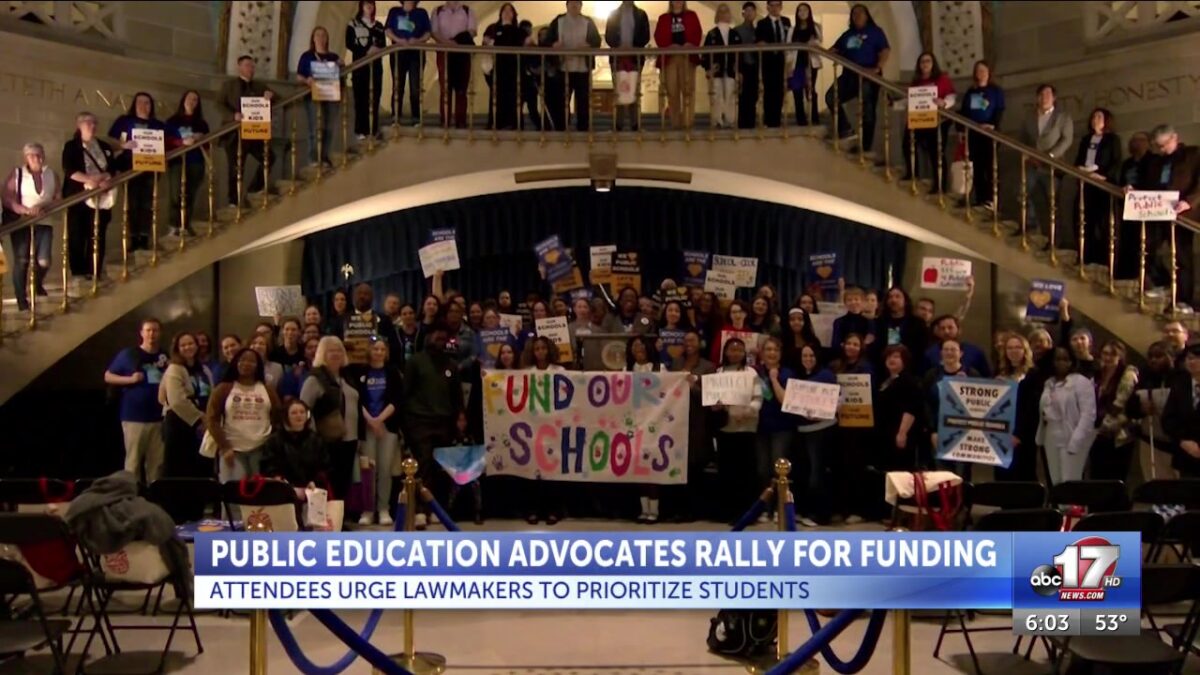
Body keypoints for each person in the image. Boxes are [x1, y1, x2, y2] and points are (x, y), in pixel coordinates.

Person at [403, 323, 462, 529]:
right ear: (428, 337)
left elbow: (457, 397)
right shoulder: (416, 362)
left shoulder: (451, 365)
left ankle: (437, 509)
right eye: (436, 334)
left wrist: (458, 419)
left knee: (440, 469)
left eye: (443, 335)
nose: (440, 337)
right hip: (420, 422)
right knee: (423, 466)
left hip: (444, 422)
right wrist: (408, 424)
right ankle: (420, 510)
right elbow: (406, 393)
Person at [1135, 124, 1200, 308]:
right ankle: (1162, 283)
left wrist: (1189, 201)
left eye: (1164, 145)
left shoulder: (1193, 154)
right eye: (1159, 146)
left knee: (1182, 256)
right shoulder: (1156, 161)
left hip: (1181, 212)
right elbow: (1147, 183)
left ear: (1174, 138)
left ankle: (1183, 299)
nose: (1162, 149)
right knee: (1146, 248)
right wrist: (1134, 191)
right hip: (1157, 210)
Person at [105, 318, 169, 484]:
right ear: (141, 333)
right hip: (134, 417)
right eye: (148, 330)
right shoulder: (129, 354)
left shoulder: (165, 356)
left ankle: (154, 499)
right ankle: (131, 499)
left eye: (155, 330)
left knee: (157, 464)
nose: (152, 334)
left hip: (159, 417)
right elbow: (108, 376)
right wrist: (130, 380)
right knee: (133, 463)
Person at [302, 336, 360, 505]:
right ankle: (327, 522)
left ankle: (338, 519)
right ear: (322, 354)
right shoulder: (315, 379)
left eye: (338, 350)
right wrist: (313, 437)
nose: (336, 354)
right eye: (331, 350)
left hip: (350, 439)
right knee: (328, 483)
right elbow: (304, 408)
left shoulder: (347, 377)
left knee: (343, 483)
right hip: (327, 441)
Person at [208, 347, 280, 483]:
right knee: (233, 495)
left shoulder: (268, 390)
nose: (246, 364)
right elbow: (212, 420)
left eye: (251, 361)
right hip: (232, 450)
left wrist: (271, 445)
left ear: (258, 366)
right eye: (242, 360)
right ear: (235, 363)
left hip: (261, 449)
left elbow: (277, 417)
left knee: (260, 494)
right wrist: (225, 447)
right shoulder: (223, 389)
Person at [105, 91, 165, 251]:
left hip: (151, 169)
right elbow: (110, 142)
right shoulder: (124, 121)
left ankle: (144, 237)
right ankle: (133, 238)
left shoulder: (158, 124)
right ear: (134, 104)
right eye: (140, 102)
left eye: (147, 103)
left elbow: (168, 143)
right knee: (132, 203)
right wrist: (123, 145)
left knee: (147, 204)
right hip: (128, 168)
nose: (143, 105)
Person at [826, 4, 889, 151]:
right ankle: (845, 128)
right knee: (831, 97)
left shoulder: (875, 32)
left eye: (860, 13)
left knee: (868, 110)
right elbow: (834, 50)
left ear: (867, 16)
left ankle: (865, 147)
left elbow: (885, 50)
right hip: (849, 75)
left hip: (868, 75)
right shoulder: (847, 34)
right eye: (854, 14)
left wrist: (878, 68)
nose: (857, 16)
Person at [3, 143, 58, 310]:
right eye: (33, 155)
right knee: (22, 261)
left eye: (40, 154)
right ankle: (21, 299)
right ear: (26, 157)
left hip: (44, 221)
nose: (37, 158)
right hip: (23, 222)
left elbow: (58, 197)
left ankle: (37, 284)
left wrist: (44, 208)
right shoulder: (18, 173)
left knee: (44, 261)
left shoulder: (51, 174)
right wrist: (25, 210)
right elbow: (7, 198)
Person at [355, 339, 403, 526]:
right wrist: (371, 421)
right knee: (368, 470)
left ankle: (383, 509)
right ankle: (367, 509)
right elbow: (358, 400)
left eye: (383, 349)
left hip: (387, 427)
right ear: (369, 350)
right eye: (376, 348)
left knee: (384, 469)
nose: (379, 352)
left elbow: (397, 399)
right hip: (367, 426)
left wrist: (380, 420)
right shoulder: (361, 372)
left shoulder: (392, 372)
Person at [62, 112, 115, 284]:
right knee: (76, 233)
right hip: (79, 195)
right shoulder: (72, 146)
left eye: (94, 123)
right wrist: (89, 180)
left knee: (97, 235)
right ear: (79, 125)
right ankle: (78, 271)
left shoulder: (104, 146)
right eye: (87, 123)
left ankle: (94, 271)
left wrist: (105, 178)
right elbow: (69, 170)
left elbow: (112, 168)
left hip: (101, 196)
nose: (91, 126)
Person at [713, 337, 762, 520]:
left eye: (739, 350)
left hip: (747, 426)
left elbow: (759, 398)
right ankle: (728, 511)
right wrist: (716, 406)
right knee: (727, 471)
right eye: (731, 349)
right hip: (726, 427)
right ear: (725, 352)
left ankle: (747, 512)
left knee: (746, 471)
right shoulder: (718, 372)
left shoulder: (752, 373)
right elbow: (713, 398)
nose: (735, 353)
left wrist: (748, 411)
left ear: (744, 353)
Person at [1020, 84, 1074, 247]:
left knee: (1053, 204)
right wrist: (1028, 155)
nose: (1045, 97)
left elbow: (1067, 140)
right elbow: (1023, 139)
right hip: (1033, 164)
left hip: (1052, 166)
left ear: (1054, 98)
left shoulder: (1062, 117)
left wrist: (1050, 156)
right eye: (1042, 94)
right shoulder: (1029, 117)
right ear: (1037, 98)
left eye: (1048, 94)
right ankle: (1030, 225)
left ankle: (1055, 241)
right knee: (1023, 192)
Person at [218, 55, 274, 207]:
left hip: (254, 133)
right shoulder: (228, 85)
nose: (251, 69)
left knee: (269, 157)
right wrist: (233, 116)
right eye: (248, 65)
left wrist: (270, 96)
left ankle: (254, 188)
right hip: (234, 134)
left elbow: (276, 98)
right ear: (239, 67)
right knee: (235, 168)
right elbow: (219, 105)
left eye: (252, 66)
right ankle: (233, 201)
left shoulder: (260, 86)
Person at [671, 330, 716, 521]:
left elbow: (710, 395)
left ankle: (695, 509)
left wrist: (693, 387)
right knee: (679, 466)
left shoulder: (708, 367)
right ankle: (679, 508)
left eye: (692, 340)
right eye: (685, 340)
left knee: (695, 465)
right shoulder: (676, 364)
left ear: (700, 343)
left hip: (698, 420)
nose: (688, 343)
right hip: (677, 419)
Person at [829, 333, 874, 522]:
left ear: (861, 347)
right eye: (849, 343)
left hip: (859, 424)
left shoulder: (868, 367)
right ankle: (841, 507)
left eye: (856, 344)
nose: (852, 347)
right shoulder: (834, 366)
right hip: (838, 423)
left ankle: (856, 510)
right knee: (838, 466)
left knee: (855, 467)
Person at [1036, 346, 1096, 484]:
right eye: (1058, 359)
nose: (1062, 363)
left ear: (1072, 361)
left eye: (1066, 359)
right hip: (1050, 436)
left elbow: (1088, 415)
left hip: (1071, 435)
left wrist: (1076, 441)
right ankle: (1059, 506)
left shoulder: (1081, 382)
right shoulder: (1049, 382)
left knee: (1070, 482)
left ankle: (1072, 506)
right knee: (1055, 481)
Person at [159, 332, 214, 479]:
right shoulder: (174, 369)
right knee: (177, 469)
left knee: (199, 467)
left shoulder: (204, 370)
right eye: (183, 345)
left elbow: (212, 394)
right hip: (179, 422)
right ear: (177, 348)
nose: (188, 347)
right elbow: (176, 400)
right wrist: (200, 418)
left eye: (191, 343)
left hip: (202, 423)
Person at [1073, 108, 1122, 265]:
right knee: (1083, 220)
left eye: (1099, 117)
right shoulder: (1086, 139)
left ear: (1106, 120)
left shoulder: (1112, 139)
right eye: (1093, 116)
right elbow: (1079, 159)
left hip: (1103, 184)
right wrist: (1080, 169)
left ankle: (1106, 261)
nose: (1095, 119)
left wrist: (1103, 175)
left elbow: (1116, 161)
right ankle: (1085, 257)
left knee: (1104, 223)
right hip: (1085, 182)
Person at [902, 52, 955, 194]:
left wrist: (944, 103)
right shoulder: (916, 82)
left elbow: (951, 95)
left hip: (938, 120)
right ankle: (912, 173)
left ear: (933, 63)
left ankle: (940, 186)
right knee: (907, 142)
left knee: (936, 152)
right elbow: (910, 100)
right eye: (922, 62)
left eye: (928, 61)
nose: (925, 64)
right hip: (920, 118)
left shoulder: (942, 78)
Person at [546, 1, 601, 133]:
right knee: (562, 99)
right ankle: (562, 127)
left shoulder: (588, 21)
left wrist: (588, 46)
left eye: (577, 3)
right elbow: (548, 40)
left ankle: (583, 127)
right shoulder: (558, 21)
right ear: (567, 5)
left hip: (583, 68)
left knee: (583, 100)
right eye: (572, 3)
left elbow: (596, 41)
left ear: (581, 6)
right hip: (563, 68)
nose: (574, 5)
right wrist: (554, 45)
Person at [626, 336, 664, 522]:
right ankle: (644, 509)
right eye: (634, 346)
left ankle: (655, 510)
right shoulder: (626, 370)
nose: (638, 348)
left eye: (641, 345)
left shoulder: (660, 368)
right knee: (638, 467)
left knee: (652, 467)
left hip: (655, 423)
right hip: (633, 424)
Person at [754, 337, 795, 509]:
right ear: (762, 353)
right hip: (760, 427)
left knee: (778, 469)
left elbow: (784, 399)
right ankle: (766, 507)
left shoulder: (787, 373)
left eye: (775, 350)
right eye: (768, 349)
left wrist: (774, 379)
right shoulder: (755, 372)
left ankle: (781, 507)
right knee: (762, 469)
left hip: (782, 427)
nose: (772, 353)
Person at [993, 333, 1040, 481]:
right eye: (1010, 348)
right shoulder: (999, 374)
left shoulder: (1033, 375)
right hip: (1001, 435)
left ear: (1025, 350)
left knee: (1023, 475)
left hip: (1023, 435)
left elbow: (1032, 409)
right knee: (1003, 476)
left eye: (1018, 347)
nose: (1014, 351)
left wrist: (1019, 434)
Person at [959, 60, 1004, 210]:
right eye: (978, 70)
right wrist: (961, 129)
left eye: (983, 70)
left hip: (990, 133)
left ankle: (991, 199)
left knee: (990, 166)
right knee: (977, 166)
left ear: (989, 72)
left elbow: (999, 110)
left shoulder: (995, 91)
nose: (981, 73)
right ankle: (980, 198)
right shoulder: (971, 92)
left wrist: (992, 125)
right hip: (974, 133)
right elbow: (964, 112)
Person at [1090, 341, 1139, 482]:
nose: (1108, 358)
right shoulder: (1098, 375)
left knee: (1116, 476)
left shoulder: (1127, 375)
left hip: (1119, 434)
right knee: (1098, 475)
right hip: (1098, 432)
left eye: (1113, 354)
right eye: (1105, 353)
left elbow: (1120, 404)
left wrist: (1104, 426)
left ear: (1120, 356)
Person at [164, 90, 209, 237]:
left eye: (195, 100)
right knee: (176, 194)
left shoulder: (201, 123)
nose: (192, 102)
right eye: (190, 99)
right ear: (183, 100)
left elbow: (208, 145)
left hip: (196, 161)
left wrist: (201, 138)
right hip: (178, 161)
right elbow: (166, 141)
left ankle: (185, 224)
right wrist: (181, 142)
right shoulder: (172, 121)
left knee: (191, 194)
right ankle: (173, 225)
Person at [262, 399, 331, 489]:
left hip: (311, 489)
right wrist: (278, 479)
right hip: (284, 489)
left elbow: (325, 466)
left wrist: (315, 482)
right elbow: (268, 466)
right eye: (294, 413)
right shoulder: (275, 440)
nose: (299, 415)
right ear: (286, 416)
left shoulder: (316, 439)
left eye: (302, 412)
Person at [298, 27, 342, 167]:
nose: (321, 38)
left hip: (330, 95)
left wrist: (340, 64)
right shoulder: (307, 56)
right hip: (314, 95)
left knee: (329, 127)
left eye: (324, 35)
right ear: (313, 38)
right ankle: (314, 158)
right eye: (318, 35)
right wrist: (307, 81)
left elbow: (342, 71)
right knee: (315, 126)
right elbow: (299, 75)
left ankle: (324, 156)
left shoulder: (333, 57)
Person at [874, 345, 922, 471]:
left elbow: (911, 409)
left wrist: (902, 433)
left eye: (896, 357)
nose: (891, 359)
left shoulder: (909, 381)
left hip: (899, 434)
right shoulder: (886, 380)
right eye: (889, 356)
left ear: (904, 360)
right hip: (885, 434)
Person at [655, 1, 702, 130]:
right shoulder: (663, 18)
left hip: (687, 56)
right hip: (670, 57)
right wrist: (670, 46)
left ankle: (688, 122)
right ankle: (675, 123)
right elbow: (658, 36)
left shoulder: (691, 15)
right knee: (672, 91)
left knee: (688, 90)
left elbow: (697, 33)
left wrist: (690, 44)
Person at [605, 0, 651, 132]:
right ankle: (617, 125)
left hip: (635, 57)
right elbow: (608, 36)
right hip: (617, 58)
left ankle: (635, 124)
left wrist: (632, 47)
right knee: (618, 91)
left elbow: (645, 36)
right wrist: (620, 46)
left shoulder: (641, 14)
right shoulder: (613, 14)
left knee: (634, 91)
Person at [431, 1, 477, 130]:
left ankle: (460, 120)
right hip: (444, 51)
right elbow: (434, 32)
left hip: (462, 53)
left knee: (461, 88)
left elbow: (472, 31)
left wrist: (457, 42)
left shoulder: (468, 10)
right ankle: (445, 120)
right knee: (445, 87)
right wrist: (448, 43)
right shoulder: (438, 11)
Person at [385, 0, 431, 127]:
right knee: (397, 85)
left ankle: (416, 117)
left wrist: (417, 40)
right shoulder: (394, 11)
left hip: (416, 54)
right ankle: (395, 117)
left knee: (415, 86)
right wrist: (399, 40)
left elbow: (428, 33)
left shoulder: (421, 13)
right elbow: (388, 30)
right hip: (398, 52)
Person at [346, 0, 386, 142]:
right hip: (360, 67)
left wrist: (377, 50)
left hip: (376, 67)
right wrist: (365, 50)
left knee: (375, 97)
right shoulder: (353, 24)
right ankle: (360, 130)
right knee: (360, 98)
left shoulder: (379, 26)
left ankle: (373, 129)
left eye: (371, 4)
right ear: (361, 6)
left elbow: (383, 45)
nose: (369, 6)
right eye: (366, 4)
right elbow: (350, 43)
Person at [483, 3, 525, 131]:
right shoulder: (493, 28)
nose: (507, 13)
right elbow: (486, 42)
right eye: (504, 11)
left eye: (510, 11)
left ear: (514, 14)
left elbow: (526, 43)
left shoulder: (518, 30)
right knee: (497, 95)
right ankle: (495, 122)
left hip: (514, 67)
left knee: (513, 95)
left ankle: (514, 123)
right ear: (500, 13)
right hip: (498, 66)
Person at [1115, 131, 1151, 280]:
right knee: (1127, 240)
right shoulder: (1127, 163)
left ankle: (1145, 277)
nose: (1136, 143)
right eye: (1133, 140)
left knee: (1143, 243)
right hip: (1128, 205)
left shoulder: (1152, 161)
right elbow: (1121, 181)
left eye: (1140, 140)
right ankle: (1125, 274)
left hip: (1146, 206)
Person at [702, 4, 741, 130]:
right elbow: (706, 53)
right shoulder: (711, 34)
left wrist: (739, 70)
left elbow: (739, 54)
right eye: (722, 12)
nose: (724, 14)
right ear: (717, 15)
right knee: (716, 95)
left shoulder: (735, 34)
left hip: (731, 70)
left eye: (727, 12)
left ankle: (731, 120)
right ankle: (717, 120)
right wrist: (708, 68)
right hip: (716, 70)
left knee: (731, 94)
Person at [754, 0, 791, 129]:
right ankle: (768, 120)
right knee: (769, 90)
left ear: (781, 7)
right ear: (768, 7)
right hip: (768, 62)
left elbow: (789, 39)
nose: (775, 8)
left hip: (782, 60)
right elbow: (759, 41)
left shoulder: (786, 22)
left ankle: (777, 119)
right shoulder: (762, 23)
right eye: (772, 5)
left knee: (780, 90)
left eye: (777, 5)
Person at [872, 287, 926, 371]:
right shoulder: (878, 322)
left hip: (910, 368)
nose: (893, 300)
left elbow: (921, 349)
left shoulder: (917, 323)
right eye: (890, 297)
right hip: (882, 368)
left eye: (897, 297)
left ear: (906, 301)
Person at [924, 315, 990, 376]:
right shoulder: (930, 353)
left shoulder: (975, 352)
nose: (946, 331)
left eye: (950, 328)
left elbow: (987, 377)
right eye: (942, 328)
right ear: (938, 332)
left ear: (959, 330)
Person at [789, 3, 821, 126]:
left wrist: (812, 43)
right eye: (800, 10)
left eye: (805, 10)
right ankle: (800, 119)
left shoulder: (815, 27)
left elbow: (818, 42)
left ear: (809, 12)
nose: (802, 12)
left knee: (810, 89)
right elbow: (788, 47)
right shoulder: (793, 29)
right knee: (797, 90)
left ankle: (814, 117)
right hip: (796, 63)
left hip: (811, 62)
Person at [735, 1, 759, 129]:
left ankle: (751, 123)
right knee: (742, 96)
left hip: (754, 67)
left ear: (755, 13)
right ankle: (742, 123)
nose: (750, 13)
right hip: (742, 66)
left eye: (752, 11)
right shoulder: (737, 30)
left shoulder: (758, 30)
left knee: (753, 95)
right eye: (747, 11)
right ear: (743, 13)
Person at [831, 286, 873, 350]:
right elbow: (835, 343)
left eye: (856, 299)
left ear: (862, 302)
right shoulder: (839, 322)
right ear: (845, 303)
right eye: (849, 300)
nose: (853, 302)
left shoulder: (869, 322)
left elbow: (870, 340)